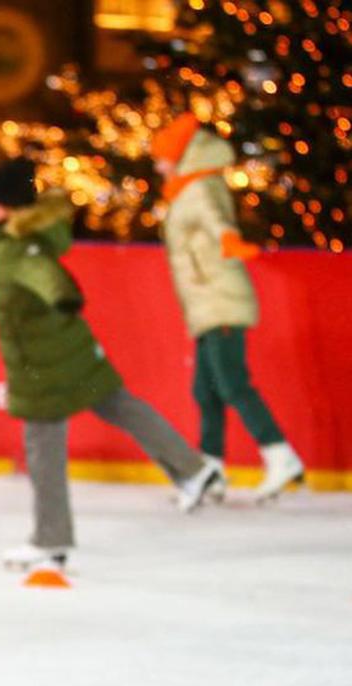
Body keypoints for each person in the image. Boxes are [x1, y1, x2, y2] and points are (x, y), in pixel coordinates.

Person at [0, 156, 221, 574]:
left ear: (6, 207)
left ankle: (51, 540)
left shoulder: (22, 250)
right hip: (72, 351)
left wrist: (63, 294)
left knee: (43, 449)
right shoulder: (22, 238)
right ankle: (193, 469)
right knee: (120, 406)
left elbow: (44, 275)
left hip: (43, 365)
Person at [151, 113, 304, 502]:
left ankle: (279, 453)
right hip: (205, 301)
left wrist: (229, 240)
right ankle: (211, 469)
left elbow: (215, 219)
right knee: (206, 389)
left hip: (219, 298)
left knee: (231, 383)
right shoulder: (185, 189)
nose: (157, 166)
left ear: (181, 156)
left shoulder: (200, 189)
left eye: (162, 157)